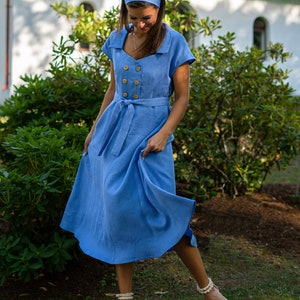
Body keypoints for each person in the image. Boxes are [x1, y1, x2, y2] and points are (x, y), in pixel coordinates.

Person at [60, 0, 227, 299]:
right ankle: (126, 297)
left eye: (146, 18)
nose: (139, 24)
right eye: (133, 17)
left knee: (165, 211)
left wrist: (164, 134)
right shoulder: (117, 38)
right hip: (113, 135)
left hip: (152, 138)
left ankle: (208, 288)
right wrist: (95, 128)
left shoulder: (174, 41)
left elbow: (182, 98)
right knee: (116, 213)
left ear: (159, 11)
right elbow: (113, 89)